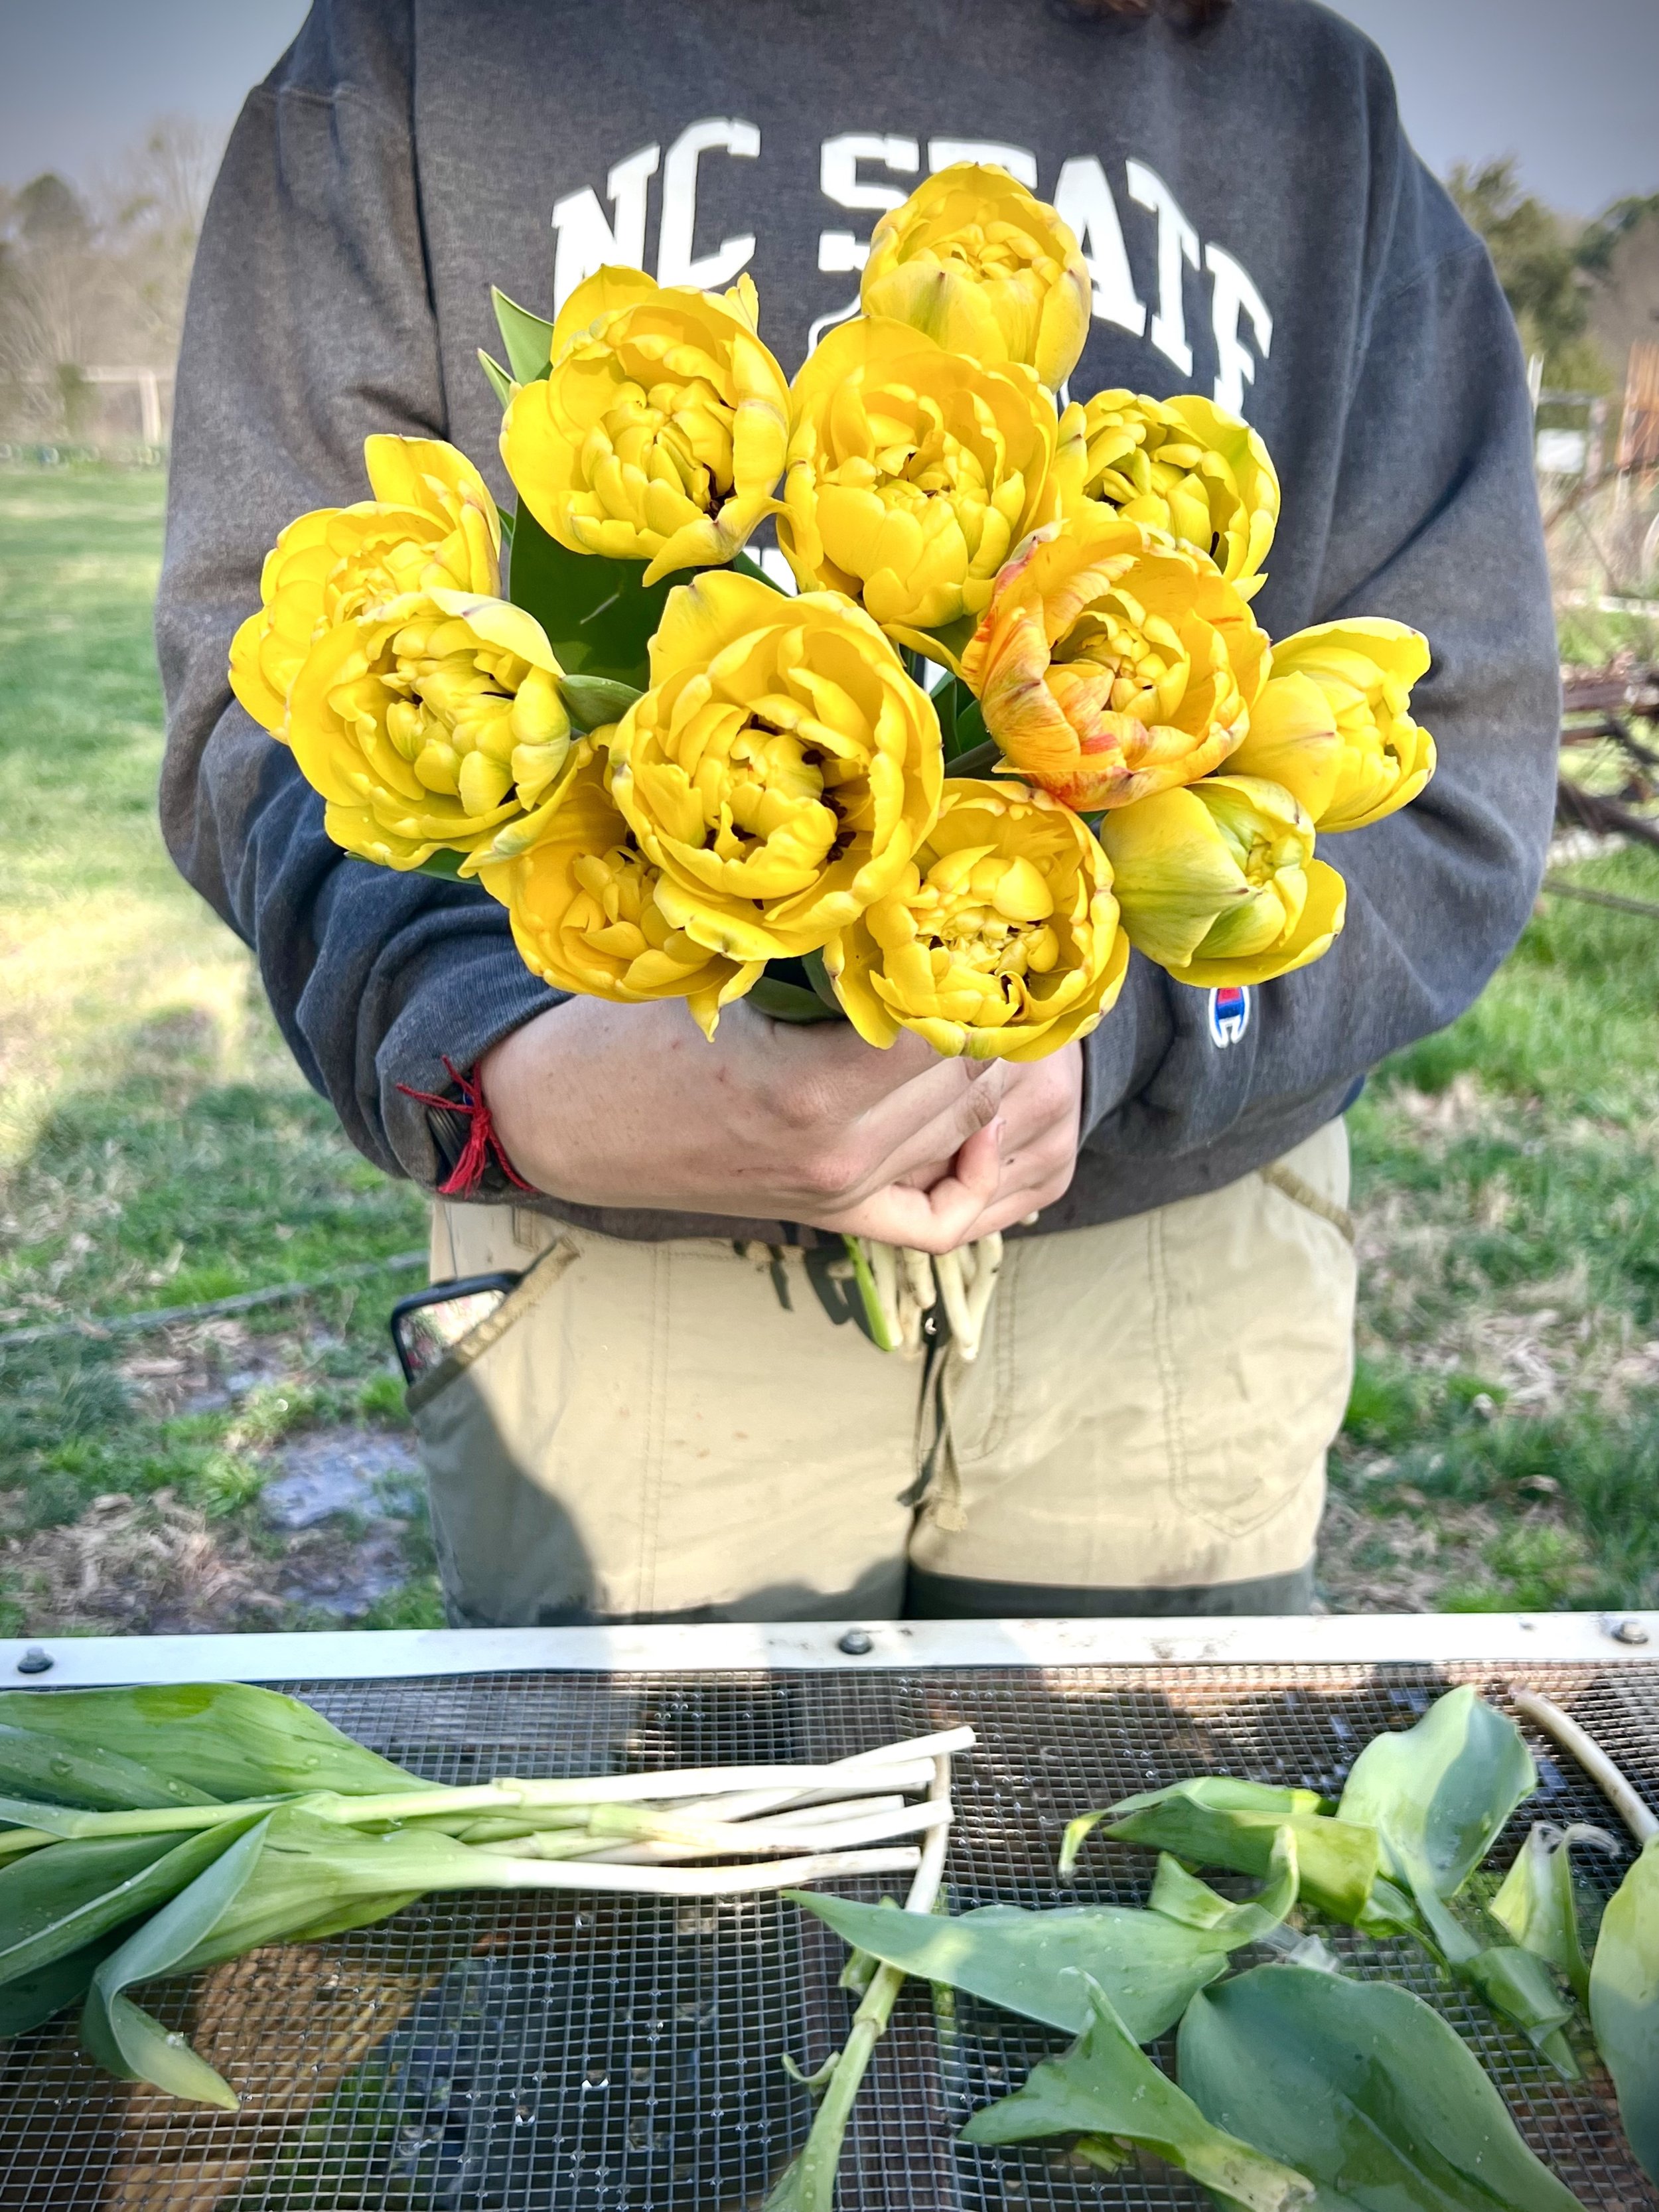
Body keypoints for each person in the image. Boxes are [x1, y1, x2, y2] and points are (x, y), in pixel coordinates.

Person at [158, 0, 1557, 1627]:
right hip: (628, 1266)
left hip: (1173, 1272)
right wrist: (514, 1069)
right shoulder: (419, 55)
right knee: (681, 1873)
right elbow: (275, 697)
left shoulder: (1308, 107)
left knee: (1144, 1857)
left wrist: (1128, 1025)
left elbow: (1454, 753)